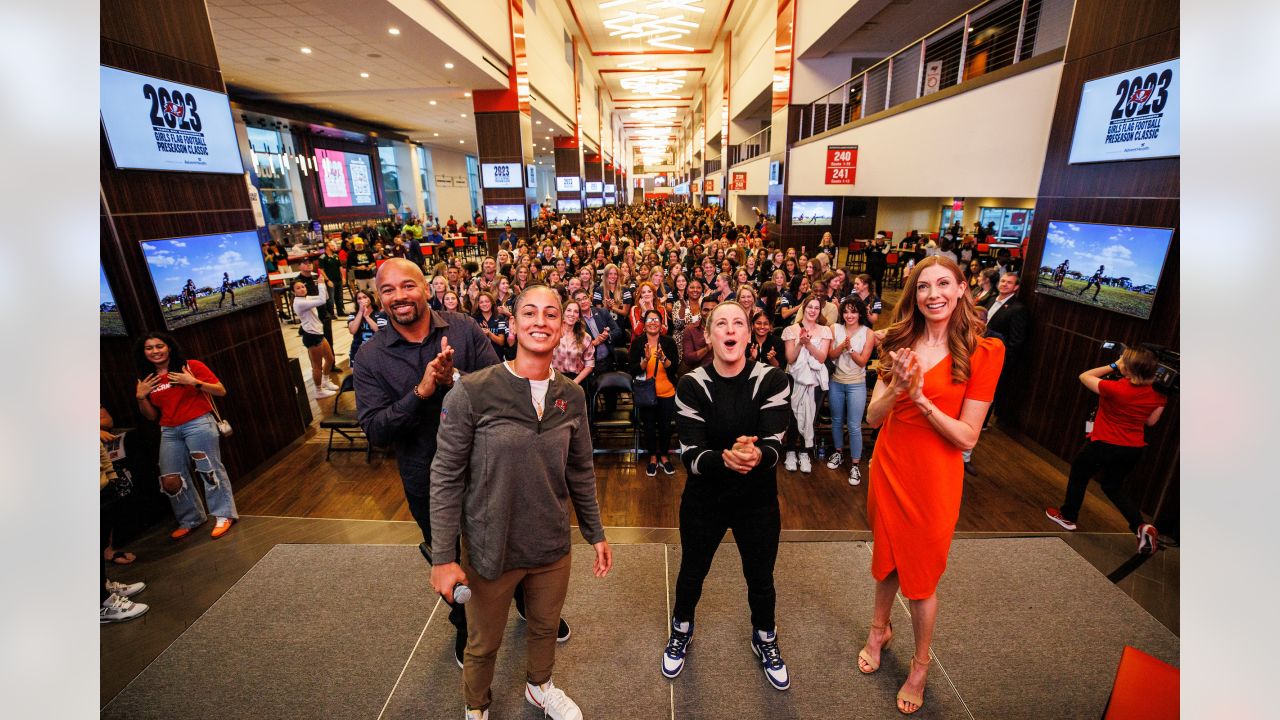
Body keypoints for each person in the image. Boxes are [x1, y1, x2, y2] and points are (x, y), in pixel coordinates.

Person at [355, 260, 571, 668]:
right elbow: (376, 432)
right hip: (427, 477)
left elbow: (505, 388)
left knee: (512, 538)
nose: (399, 296)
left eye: (407, 285)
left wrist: (455, 379)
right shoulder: (370, 358)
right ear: (378, 298)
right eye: (388, 290)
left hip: (488, 470)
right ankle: (464, 626)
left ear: (424, 288)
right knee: (447, 555)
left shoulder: (463, 328)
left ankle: (529, 604)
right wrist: (419, 393)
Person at [429, 285, 612, 720]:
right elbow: (445, 476)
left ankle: (539, 686)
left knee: (546, 627)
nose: (540, 321)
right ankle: (476, 707)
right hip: (493, 547)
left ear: (562, 324)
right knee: (483, 642)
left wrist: (595, 532)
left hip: (550, 543)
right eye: (529, 312)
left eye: (551, 313)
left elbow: (581, 471)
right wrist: (442, 556)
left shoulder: (573, 396)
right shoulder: (472, 392)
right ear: (513, 325)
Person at [857, 256, 1004, 715]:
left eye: (944, 284)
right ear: (913, 295)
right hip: (891, 464)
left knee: (920, 579)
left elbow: (967, 436)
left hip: (935, 476)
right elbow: (871, 417)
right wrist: (900, 388)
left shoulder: (985, 352)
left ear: (963, 289)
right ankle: (878, 629)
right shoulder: (899, 340)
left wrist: (920, 399)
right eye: (924, 287)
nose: (933, 294)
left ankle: (920, 664)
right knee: (886, 560)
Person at [662, 300, 793, 691]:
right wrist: (729, 458)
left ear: (749, 335)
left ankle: (764, 638)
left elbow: (775, 445)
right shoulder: (691, 384)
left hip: (757, 499)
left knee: (760, 577)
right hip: (706, 499)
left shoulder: (772, 380)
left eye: (739, 323)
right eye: (722, 323)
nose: (731, 329)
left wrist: (754, 455)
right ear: (709, 335)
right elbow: (693, 458)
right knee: (692, 571)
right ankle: (681, 630)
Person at [1045, 346, 1167, 553]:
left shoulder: (1115, 388)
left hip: (1104, 443)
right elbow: (1151, 421)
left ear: (1127, 369)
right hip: (1133, 449)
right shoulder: (1159, 393)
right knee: (1113, 487)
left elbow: (1084, 376)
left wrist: (1113, 365)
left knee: (1079, 475)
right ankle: (1140, 526)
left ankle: (1068, 517)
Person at [134, 332, 240, 540]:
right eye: (149, 348)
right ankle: (191, 519)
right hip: (169, 430)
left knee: (209, 471)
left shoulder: (191, 366)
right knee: (170, 479)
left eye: (159, 346)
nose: (155, 351)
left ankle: (224, 515)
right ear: (143, 353)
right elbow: (151, 416)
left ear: (169, 347)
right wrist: (140, 397)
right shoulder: (148, 379)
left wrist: (193, 382)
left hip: (198, 424)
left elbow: (220, 390)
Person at [827, 297, 876, 485]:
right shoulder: (835, 329)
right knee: (837, 420)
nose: (849, 315)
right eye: (846, 311)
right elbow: (830, 355)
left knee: (854, 425)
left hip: (857, 383)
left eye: (853, 311)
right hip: (836, 381)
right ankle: (838, 452)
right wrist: (841, 346)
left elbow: (863, 361)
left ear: (860, 313)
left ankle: (855, 464)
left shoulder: (868, 333)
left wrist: (851, 349)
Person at [781, 294, 832, 473]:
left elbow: (822, 357)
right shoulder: (792, 329)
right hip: (795, 378)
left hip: (815, 381)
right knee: (794, 415)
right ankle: (790, 451)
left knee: (810, 415)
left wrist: (809, 344)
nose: (812, 310)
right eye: (809, 307)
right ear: (804, 307)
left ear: (820, 311)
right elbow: (790, 359)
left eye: (816, 308)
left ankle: (804, 452)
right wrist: (799, 344)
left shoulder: (825, 331)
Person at [100, 442, 149, 623]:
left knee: (101, 540)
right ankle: (102, 604)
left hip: (100, 483)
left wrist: (110, 473)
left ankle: (103, 587)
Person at [630, 308, 680, 476]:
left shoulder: (669, 342)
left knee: (665, 426)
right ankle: (652, 457)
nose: (653, 322)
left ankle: (664, 456)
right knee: (649, 426)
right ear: (644, 325)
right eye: (649, 320)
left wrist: (663, 358)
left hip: (667, 391)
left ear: (661, 324)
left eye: (656, 320)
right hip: (647, 393)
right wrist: (645, 360)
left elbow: (674, 368)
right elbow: (633, 370)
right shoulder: (638, 343)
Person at [984, 272, 1030, 422]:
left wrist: (1002, 360)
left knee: (989, 391)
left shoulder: (1018, 309)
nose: (1004, 284)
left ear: (1015, 287)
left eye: (1009, 282)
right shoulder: (990, 300)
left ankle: (982, 423)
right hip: (981, 351)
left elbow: (1016, 341)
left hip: (996, 358)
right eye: (1003, 281)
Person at [292, 277, 338, 399]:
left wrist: (322, 286)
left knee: (330, 358)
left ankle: (326, 381)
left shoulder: (306, 298)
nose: (302, 289)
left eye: (303, 286)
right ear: (293, 292)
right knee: (317, 366)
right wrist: (321, 283)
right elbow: (322, 300)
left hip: (318, 333)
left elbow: (325, 298)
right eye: (298, 288)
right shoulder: (300, 303)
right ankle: (318, 391)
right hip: (311, 336)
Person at [552, 299, 595, 386]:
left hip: (577, 381)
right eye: (569, 310)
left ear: (579, 317)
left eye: (576, 312)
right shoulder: (552, 333)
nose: (572, 314)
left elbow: (589, 364)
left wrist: (574, 382)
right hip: (553, 380)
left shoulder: (585, 337)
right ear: (563, 313)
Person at [346, 288, 388, 368]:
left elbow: (379, 331)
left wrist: (367, 317)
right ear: (356, 301)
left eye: (365, 297)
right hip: (357, 350)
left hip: (376, 351)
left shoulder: (380, 315)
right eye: (359, 298)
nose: (362, 300)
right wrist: (361, 312)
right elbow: (352, 330)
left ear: (370, 299)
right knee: (357, 378)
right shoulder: (353, 315)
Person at [680, 295, 718, 374]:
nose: (710, 313)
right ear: (700, 311)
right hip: (699, 375)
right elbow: (688, 359)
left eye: (713, 310)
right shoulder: (690, 330)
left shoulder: (727, 330)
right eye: (706, 310)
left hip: (723, 374)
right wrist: (707, 348)